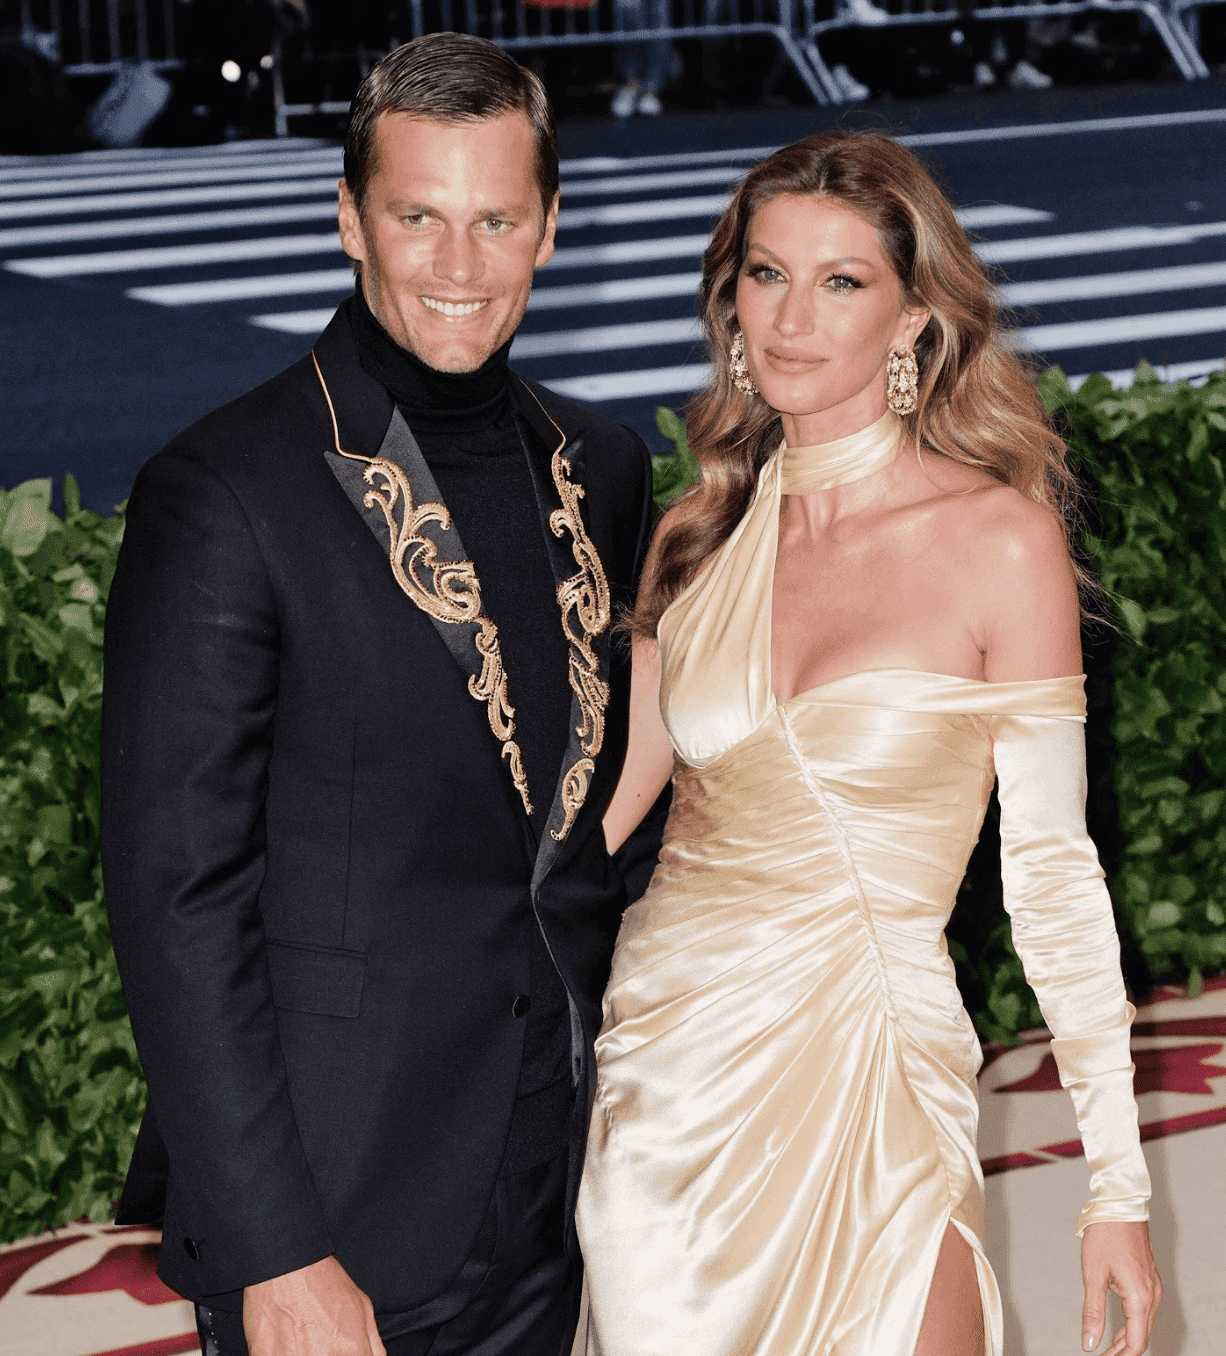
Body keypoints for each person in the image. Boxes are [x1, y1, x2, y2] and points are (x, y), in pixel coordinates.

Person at [102, 32, 663, 1356]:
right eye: (417, 216)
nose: (457, 267)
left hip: (555, 1176)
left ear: (548, 227)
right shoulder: (229, 492)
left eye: (494, 220)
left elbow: (582, 824)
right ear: (350, 219)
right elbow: (176, 899)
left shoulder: (604, 465)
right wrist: (273, 1246)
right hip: (339, 1205)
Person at [573, 131, 1163, 1356]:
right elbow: (603, 820)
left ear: (910, 319)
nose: (792, 318)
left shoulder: (997, 540)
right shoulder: (693, 537)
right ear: (728, 302)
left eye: (840, 281)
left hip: (877, 1069)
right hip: (667, 1087)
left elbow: (1050, 871)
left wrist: (1116, 1186)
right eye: (765, 274)